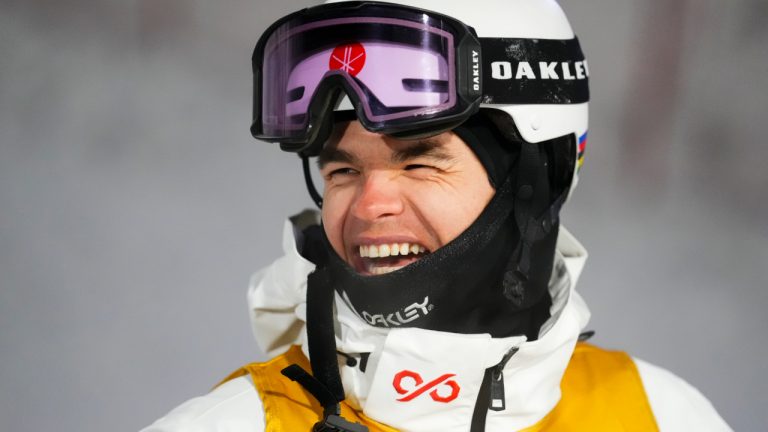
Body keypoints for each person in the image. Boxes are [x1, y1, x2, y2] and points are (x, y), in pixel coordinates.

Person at [142, 1, 732, 430]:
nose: (369, 205)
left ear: (534, 180)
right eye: (342, 170)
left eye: (420, 163)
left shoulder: (659, 414)